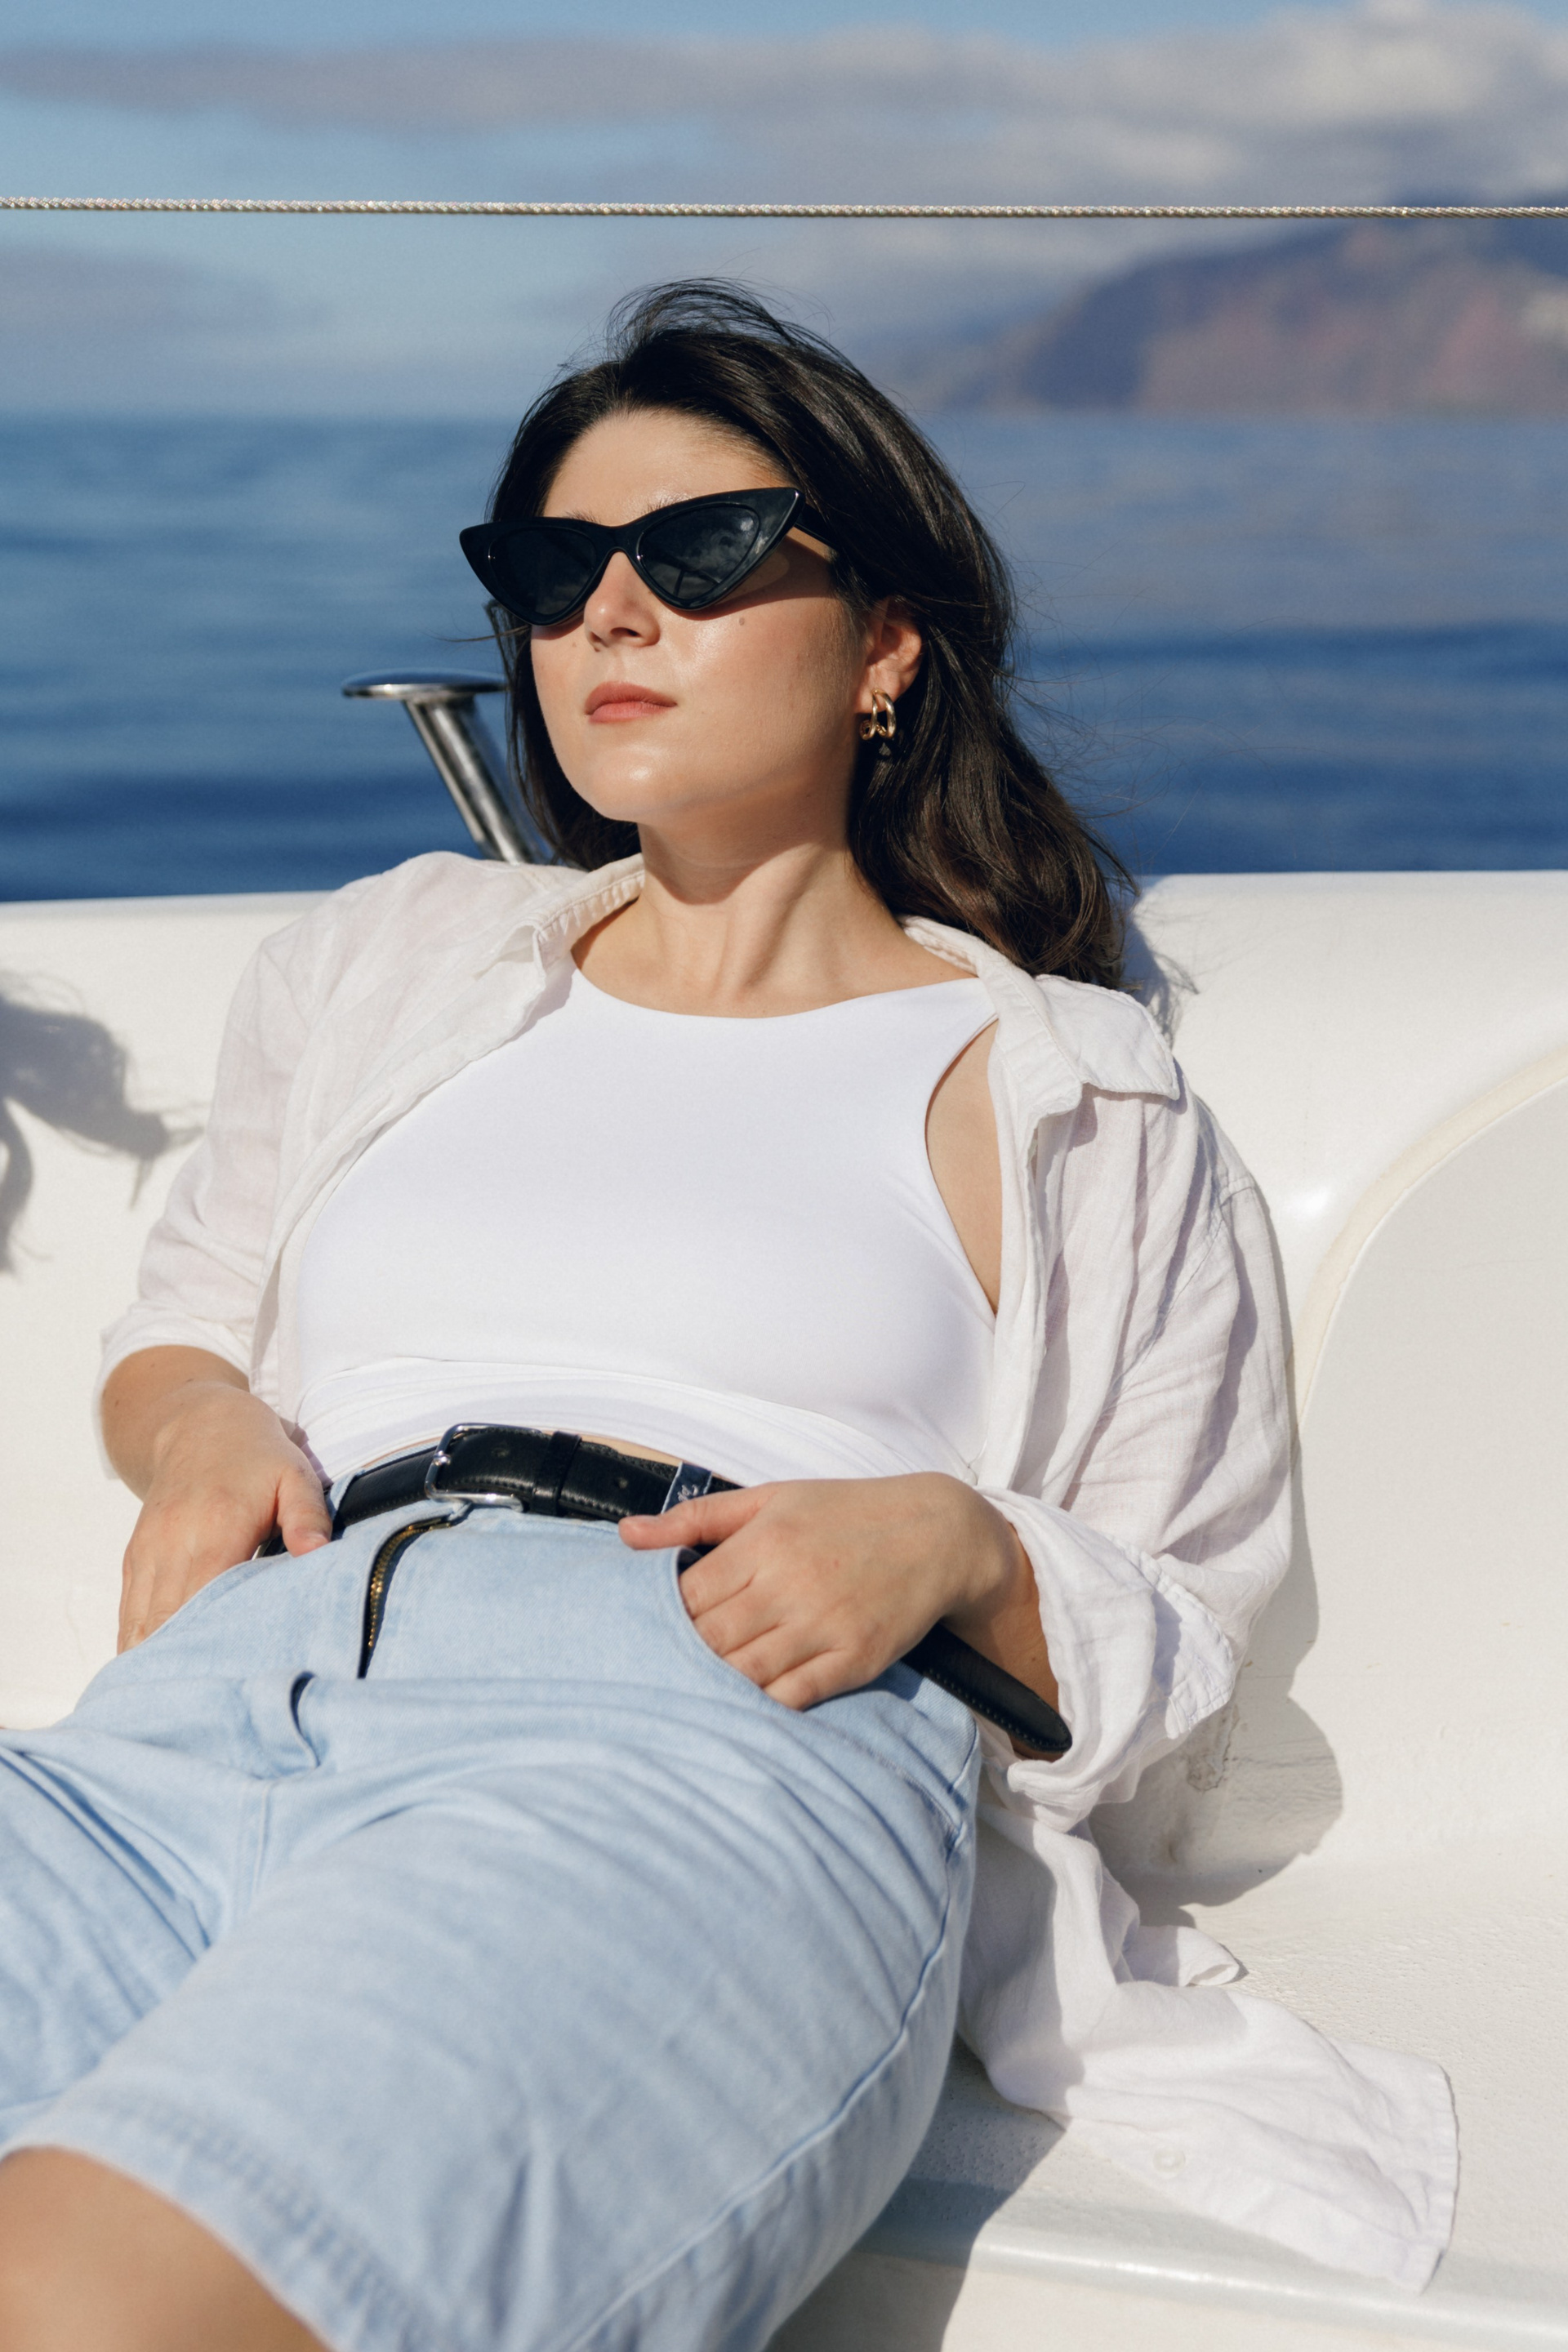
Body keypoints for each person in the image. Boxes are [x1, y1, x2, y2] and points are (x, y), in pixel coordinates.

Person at [0, 283, 1454, 2352]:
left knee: (80, 2297)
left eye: (697, 552)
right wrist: (204, 1430)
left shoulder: (1069, 1093)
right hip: (210, 1713)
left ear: (886, 646)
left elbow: (1182, 1616)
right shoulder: (393, 959)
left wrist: (958, 1548)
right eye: (552, 569)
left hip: (686, 1740)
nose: (608, 612)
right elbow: (180, 1332)